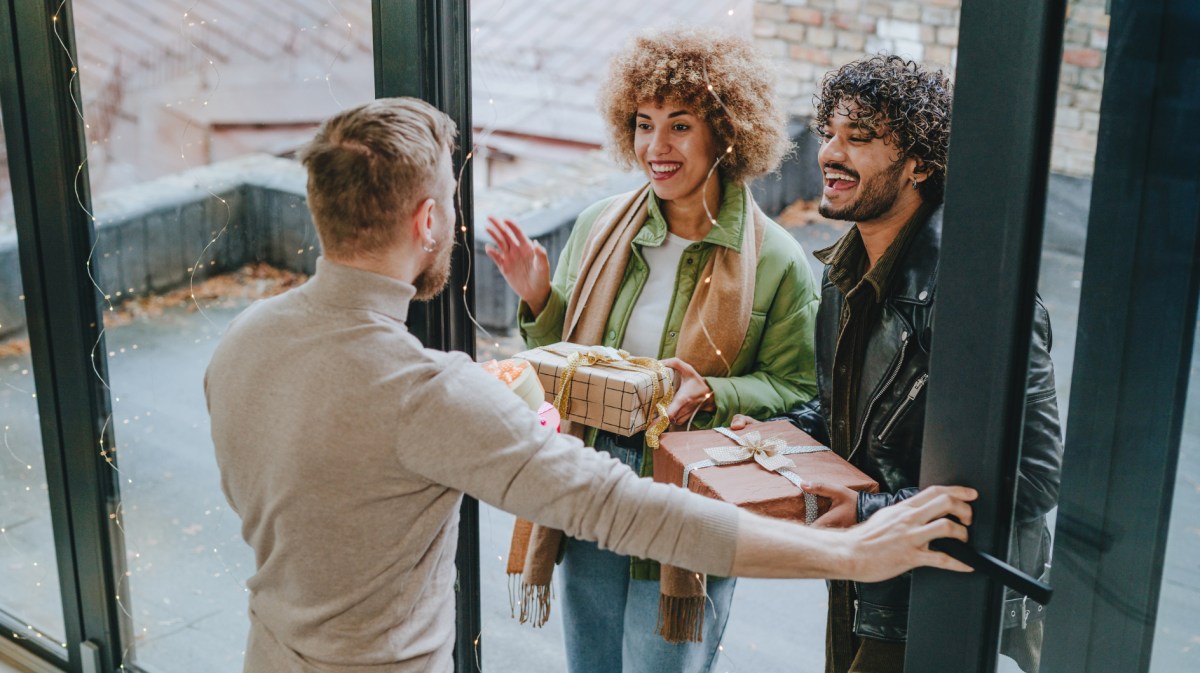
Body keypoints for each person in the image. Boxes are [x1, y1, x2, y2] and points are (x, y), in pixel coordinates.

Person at [204, 96, 978, 673]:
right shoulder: (430, 394)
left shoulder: (242, 340)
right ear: (429, 223)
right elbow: (629, 510)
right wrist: (849, 555)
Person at [485, 27, 815, 673]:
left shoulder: (777, 260)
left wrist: (715, 392)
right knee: (593, 663)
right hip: (593, 484)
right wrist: (538, 300)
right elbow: (570, 369)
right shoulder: (599, 226)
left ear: (726, 131)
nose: (655, 147)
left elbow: (797, 390)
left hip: (691, 493)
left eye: (680, 126)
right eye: (643, 124)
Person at [734, 55, 1064, 673]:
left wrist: (871, 510)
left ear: (921, 163)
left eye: (858, 139)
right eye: (828, 131)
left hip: (943, 597)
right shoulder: (842, 270)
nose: (829, 153)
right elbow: (851, 414)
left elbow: (1036, 476)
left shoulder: (978, 297)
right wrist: (781, 435)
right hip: (866, 577)